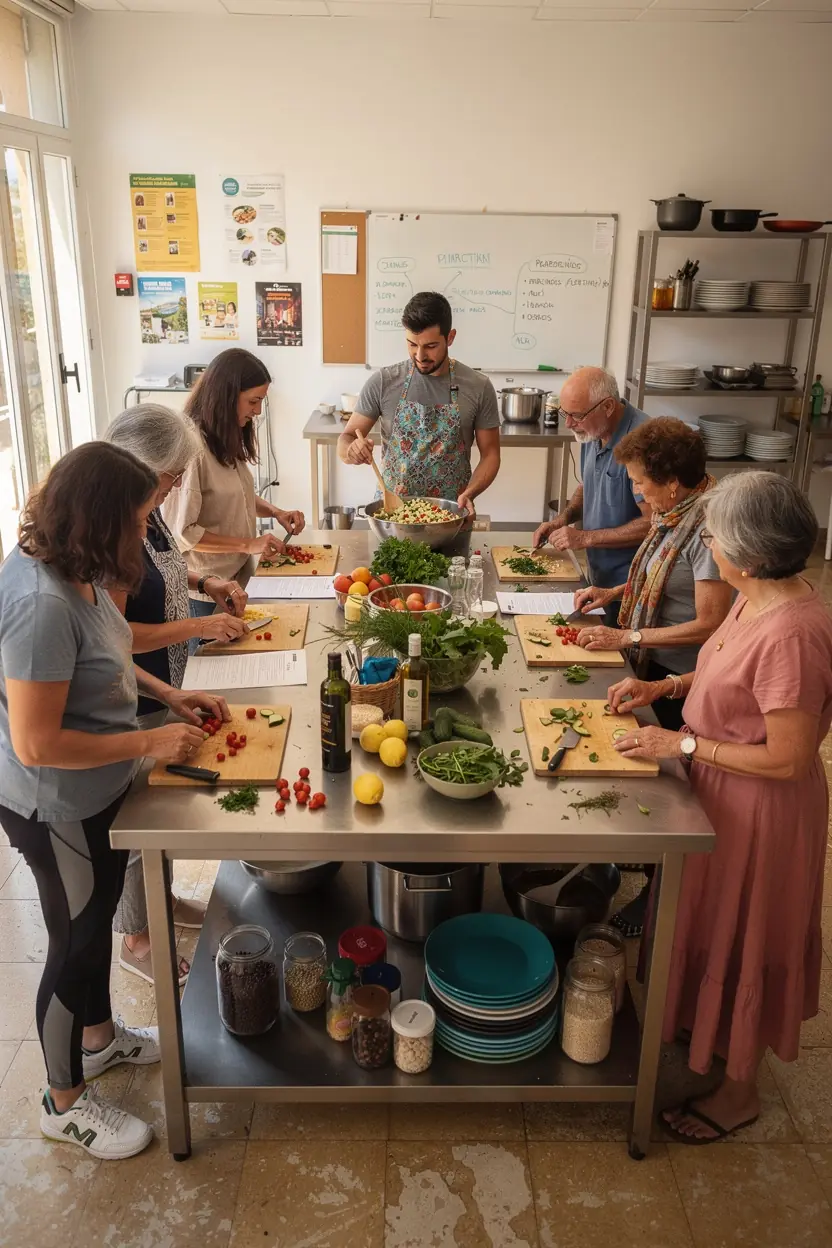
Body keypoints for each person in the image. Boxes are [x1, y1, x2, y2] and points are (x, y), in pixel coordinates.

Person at [0, 443, 222, 1160]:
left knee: (93, 922)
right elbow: (36, 743)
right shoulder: (38, 602)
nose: (141, 536)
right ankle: (62, 1103)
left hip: (92, 780)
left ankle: (99, 1042)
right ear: (95, 521)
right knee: (75, 940)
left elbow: (110, 651)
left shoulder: (82, 569)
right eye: (134, 523)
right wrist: (146, 745)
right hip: (53, 798)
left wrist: (166, 695)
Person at [609, 471, 832, 1143]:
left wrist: (681, 740)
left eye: (714, 535)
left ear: (752, 552)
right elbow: (720, 668)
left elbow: (790, 759)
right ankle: (702, 1027)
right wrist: (666, 684)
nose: (707, 542)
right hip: (716, 792)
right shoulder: (754, 593)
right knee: (705, 920)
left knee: (747, 934)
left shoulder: (793, 633)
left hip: (761, 812)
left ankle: (740, 1092)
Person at [106, 404, 249, 985]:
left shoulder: (148, 515)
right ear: (144, 467)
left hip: (162, 680)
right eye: (171, 476)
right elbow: (119, 634)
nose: (174, 487)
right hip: (131, 692)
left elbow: (167, 568)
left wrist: (206, 581)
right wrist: (196, 626)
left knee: (161, 812)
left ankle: (160, 908)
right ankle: (138, 939)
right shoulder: (114, 528)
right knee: (141, 824)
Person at [572, 417, 732, 937]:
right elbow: (658, 578)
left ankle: (662, 897)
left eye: (641, 482)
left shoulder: (708, 527)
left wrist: (630, 639)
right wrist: (614, 597)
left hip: (684, 676)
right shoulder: (676, 512)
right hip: (656, 666)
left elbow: (708, 621)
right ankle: (637, 864)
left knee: (679, 797)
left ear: (673, 482)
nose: (636, 492)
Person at [162, 348, 305, 622]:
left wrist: (276, 512)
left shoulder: (225, 435)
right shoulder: (192, 448)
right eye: (253, 401)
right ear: (227, 396)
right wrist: (248, 544)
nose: (257, 411)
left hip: (235, 577)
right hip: (204, 592)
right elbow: (184, 533)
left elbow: (238, 494)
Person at [337, 291, 501, 516]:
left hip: (451, 515)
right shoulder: (384, 382)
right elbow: (345, 439)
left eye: (431, 346)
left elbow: (491, 455)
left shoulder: (478, 386)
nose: (420, 355)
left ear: (450, 337)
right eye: (412, 344)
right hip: (393, 516)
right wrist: (351, 451)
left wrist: (470, 493)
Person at [533, 367, 652, 623]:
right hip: (598, 577)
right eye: (564, 413)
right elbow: (590, 484)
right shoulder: (592, 431)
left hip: (630, 587)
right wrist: (563, 518)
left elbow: (654, 522)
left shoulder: (643, 443)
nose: (568, 424)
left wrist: (585, 537)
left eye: (576, 415)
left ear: (608, 406)